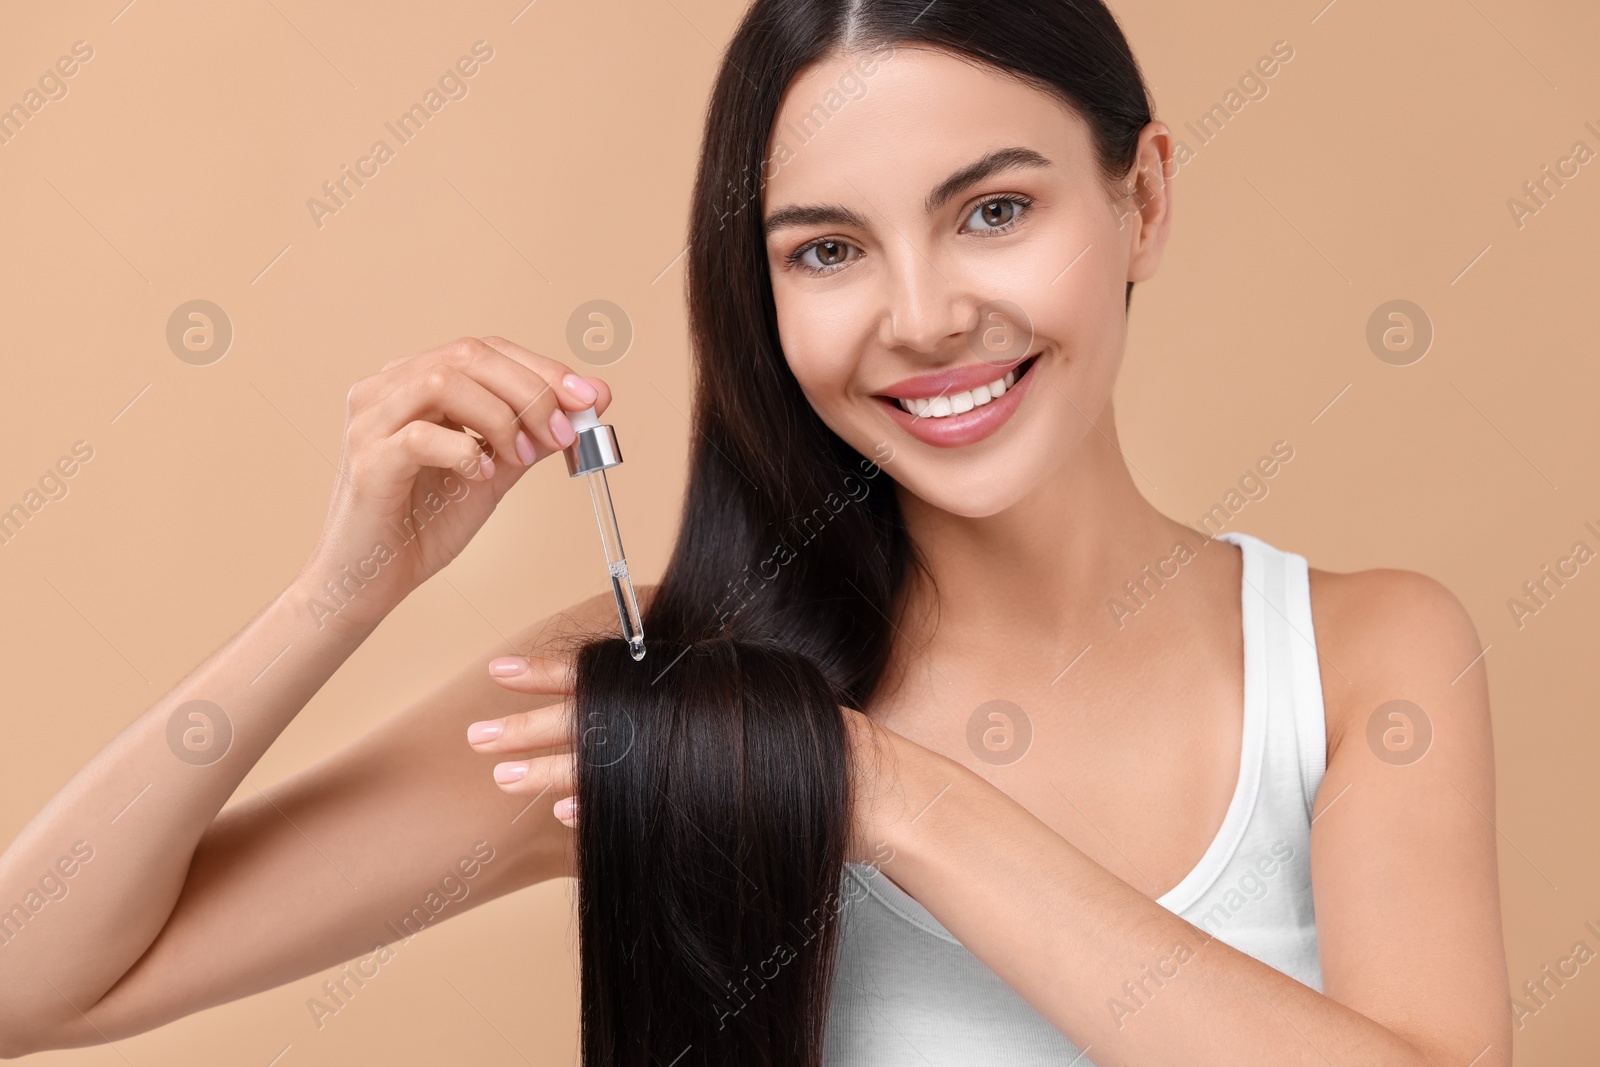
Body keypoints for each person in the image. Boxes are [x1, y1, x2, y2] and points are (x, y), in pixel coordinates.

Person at [0, 0, 1510, 1063]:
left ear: (1145, 200)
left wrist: (896, 799)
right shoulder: (665, 683)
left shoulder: (1364, 653)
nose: (923, 317)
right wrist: (341, 596)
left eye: (994, 210)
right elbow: (31, 983)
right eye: (831, 249)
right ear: (766, 293)